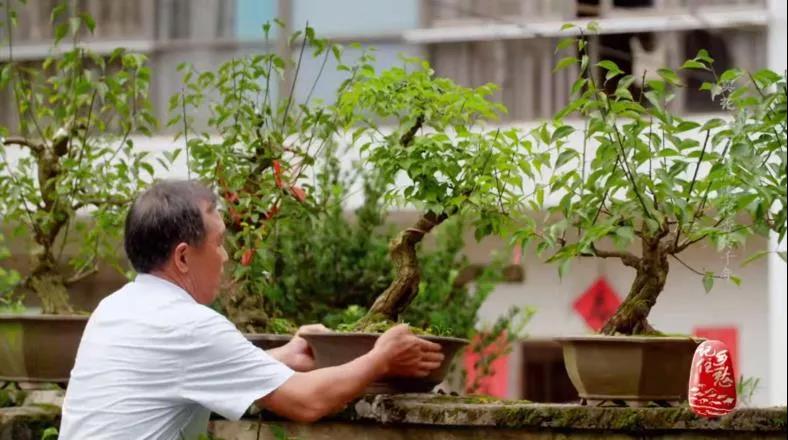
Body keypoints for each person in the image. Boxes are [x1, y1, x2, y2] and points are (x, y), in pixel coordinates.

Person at [59, 180, 443, 439]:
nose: (226, 256)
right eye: (219, 242)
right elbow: (306, 401)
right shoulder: (188, 325)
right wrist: (382, 358)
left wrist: (284, 357)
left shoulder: (114, 309)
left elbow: (191, 368)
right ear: (182, 257)